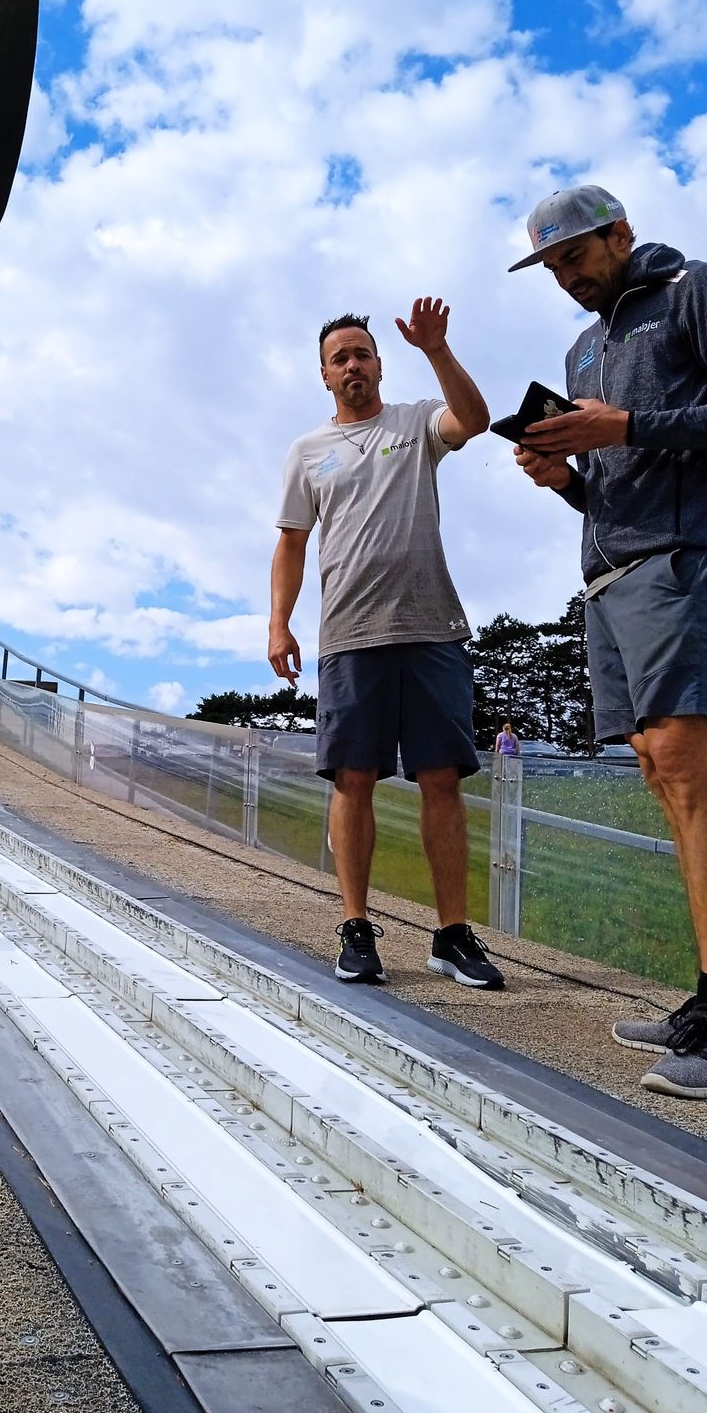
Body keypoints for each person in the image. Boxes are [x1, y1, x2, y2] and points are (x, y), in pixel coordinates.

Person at [509, 182, 707, 1098]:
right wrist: (563, 478)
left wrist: (627, 425)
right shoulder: (582, 347)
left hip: (687, 554)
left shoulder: (696, 288)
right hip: (610, 569)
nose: (565, 278)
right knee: (660, 769)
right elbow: (610, 479)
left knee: (683, 755)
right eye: (550, 267)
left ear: (620, 233)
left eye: (575, 257)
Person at [269, 302, 503, 990]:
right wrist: (278, 623)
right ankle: (356, 926)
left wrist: (437, 349)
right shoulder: (308, 452)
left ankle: (452, 933)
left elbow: (475, 419)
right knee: (353, 778)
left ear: (379, 363)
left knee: (441, 778)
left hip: (432, 627)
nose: (353, 365)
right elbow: (290, 541)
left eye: (362, 353)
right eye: (340, 357)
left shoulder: (415, 421)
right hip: (349, 635)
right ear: (323, 374)